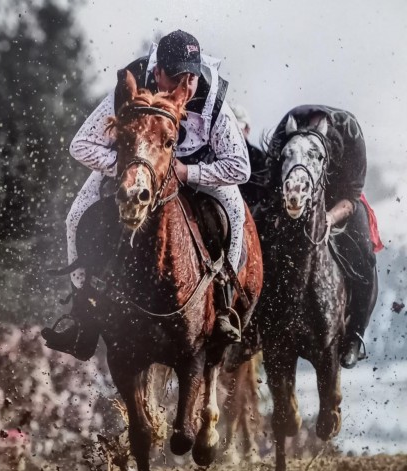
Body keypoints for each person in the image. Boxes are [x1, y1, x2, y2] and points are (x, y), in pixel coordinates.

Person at [43, 30, 251, 360]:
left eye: (192, 77)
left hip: (193, 166)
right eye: (177, 77)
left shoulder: (212, 97)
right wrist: (130, 166)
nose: (187, 86)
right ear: (156, 74)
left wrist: (187, 172)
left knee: (235, 210)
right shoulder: (132, 84)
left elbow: (240, 168)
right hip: (135, 165)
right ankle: (82, 316)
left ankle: (224, 305)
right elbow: (80, 145)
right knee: (75, 214)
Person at [266, 106, 381, 369]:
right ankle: (253, 329)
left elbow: (352, 195)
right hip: (293, 193)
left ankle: (354, 335)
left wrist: (328, 218)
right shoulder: (286, 125)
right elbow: (270, 178)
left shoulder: (350, 133)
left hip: (341, 200)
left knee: (364, 256)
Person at [232, 104, 269, 217]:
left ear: (247, 129)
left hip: (252, 217)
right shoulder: (209, 154)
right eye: (228, 127)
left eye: (236, 128)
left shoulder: (259, 158)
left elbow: (263, 196)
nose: (230, 133)